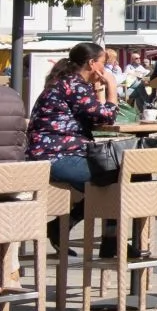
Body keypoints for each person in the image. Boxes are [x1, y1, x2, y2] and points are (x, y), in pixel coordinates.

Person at [28, 42, 118, 197]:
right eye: (103, 63)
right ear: (92, 63)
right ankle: (112, 219)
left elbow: (98, 115)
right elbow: (108, 116)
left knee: (112, 177)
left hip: (46, 152)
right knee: (122, 174)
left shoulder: (67, 82)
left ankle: (78, 217)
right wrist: (112, 85)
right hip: (58, 156)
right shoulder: (75, 86)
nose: (104, 68)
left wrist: (98, 88)